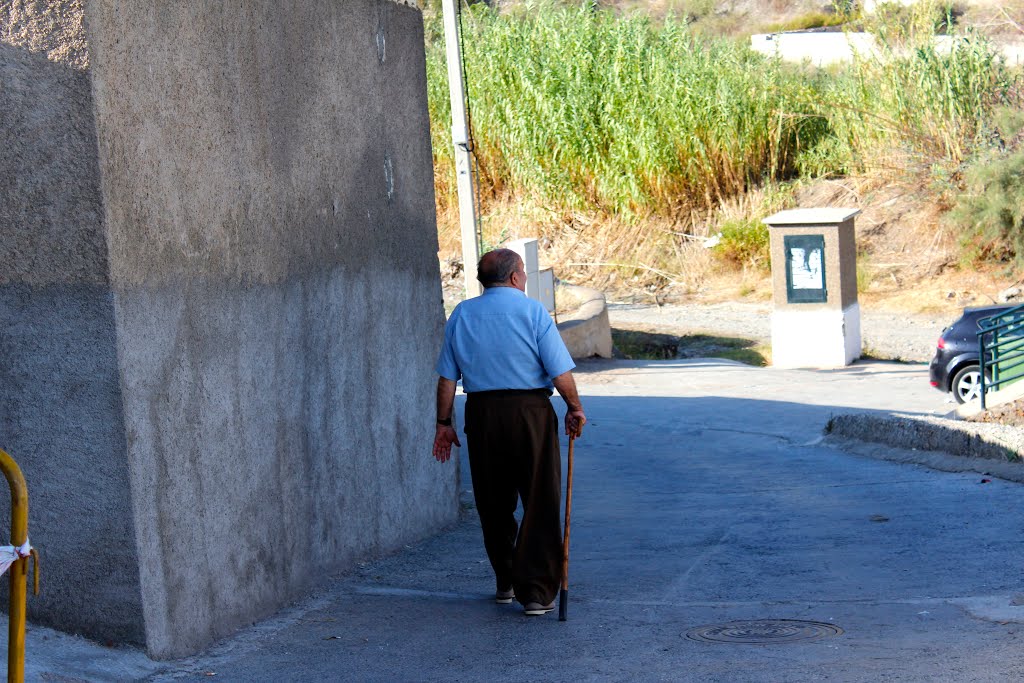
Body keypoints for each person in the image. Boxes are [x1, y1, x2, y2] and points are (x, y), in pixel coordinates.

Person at [432, 248, 586, 616]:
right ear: (516, 277)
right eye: (524, 273)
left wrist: (443, 425)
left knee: (493, 500)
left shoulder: (463, 314)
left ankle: (505, 579)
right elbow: (558, 371)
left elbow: (446, 380)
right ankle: (534, 592)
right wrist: (574, 406)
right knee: (540, 497)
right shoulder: (532, 311)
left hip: (483, 414)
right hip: (529, 411)